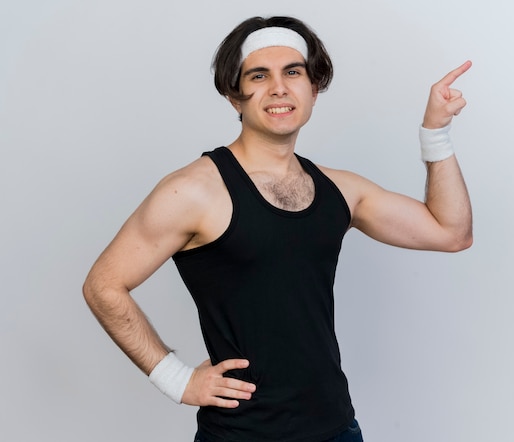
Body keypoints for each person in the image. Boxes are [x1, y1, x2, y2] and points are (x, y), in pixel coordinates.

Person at [83, 15, 473, 442]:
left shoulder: (341, 190)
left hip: (338, 429)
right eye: (258, 75)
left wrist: (436, 132)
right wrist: (176, 380)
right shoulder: (193, 191)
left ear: (313, 88)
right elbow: (104, 285)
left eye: (293, 72)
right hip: (242, 434)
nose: (279, 88)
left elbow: (450, 232)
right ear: (235, 96)